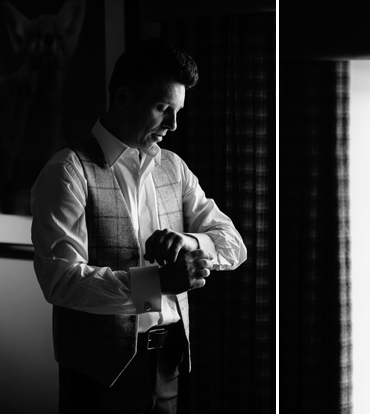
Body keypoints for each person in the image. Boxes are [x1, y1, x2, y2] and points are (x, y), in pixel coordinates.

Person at [31, 38, 247, 413]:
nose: (174, 124)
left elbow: (232, 244)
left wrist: (189, 241)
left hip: (170, 363)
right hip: (99, 374)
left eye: (177, 111)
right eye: (163, 108)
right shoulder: (67, 171)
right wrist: (158, 284)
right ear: (125, 98)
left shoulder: (173, 168)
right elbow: (61, 281)